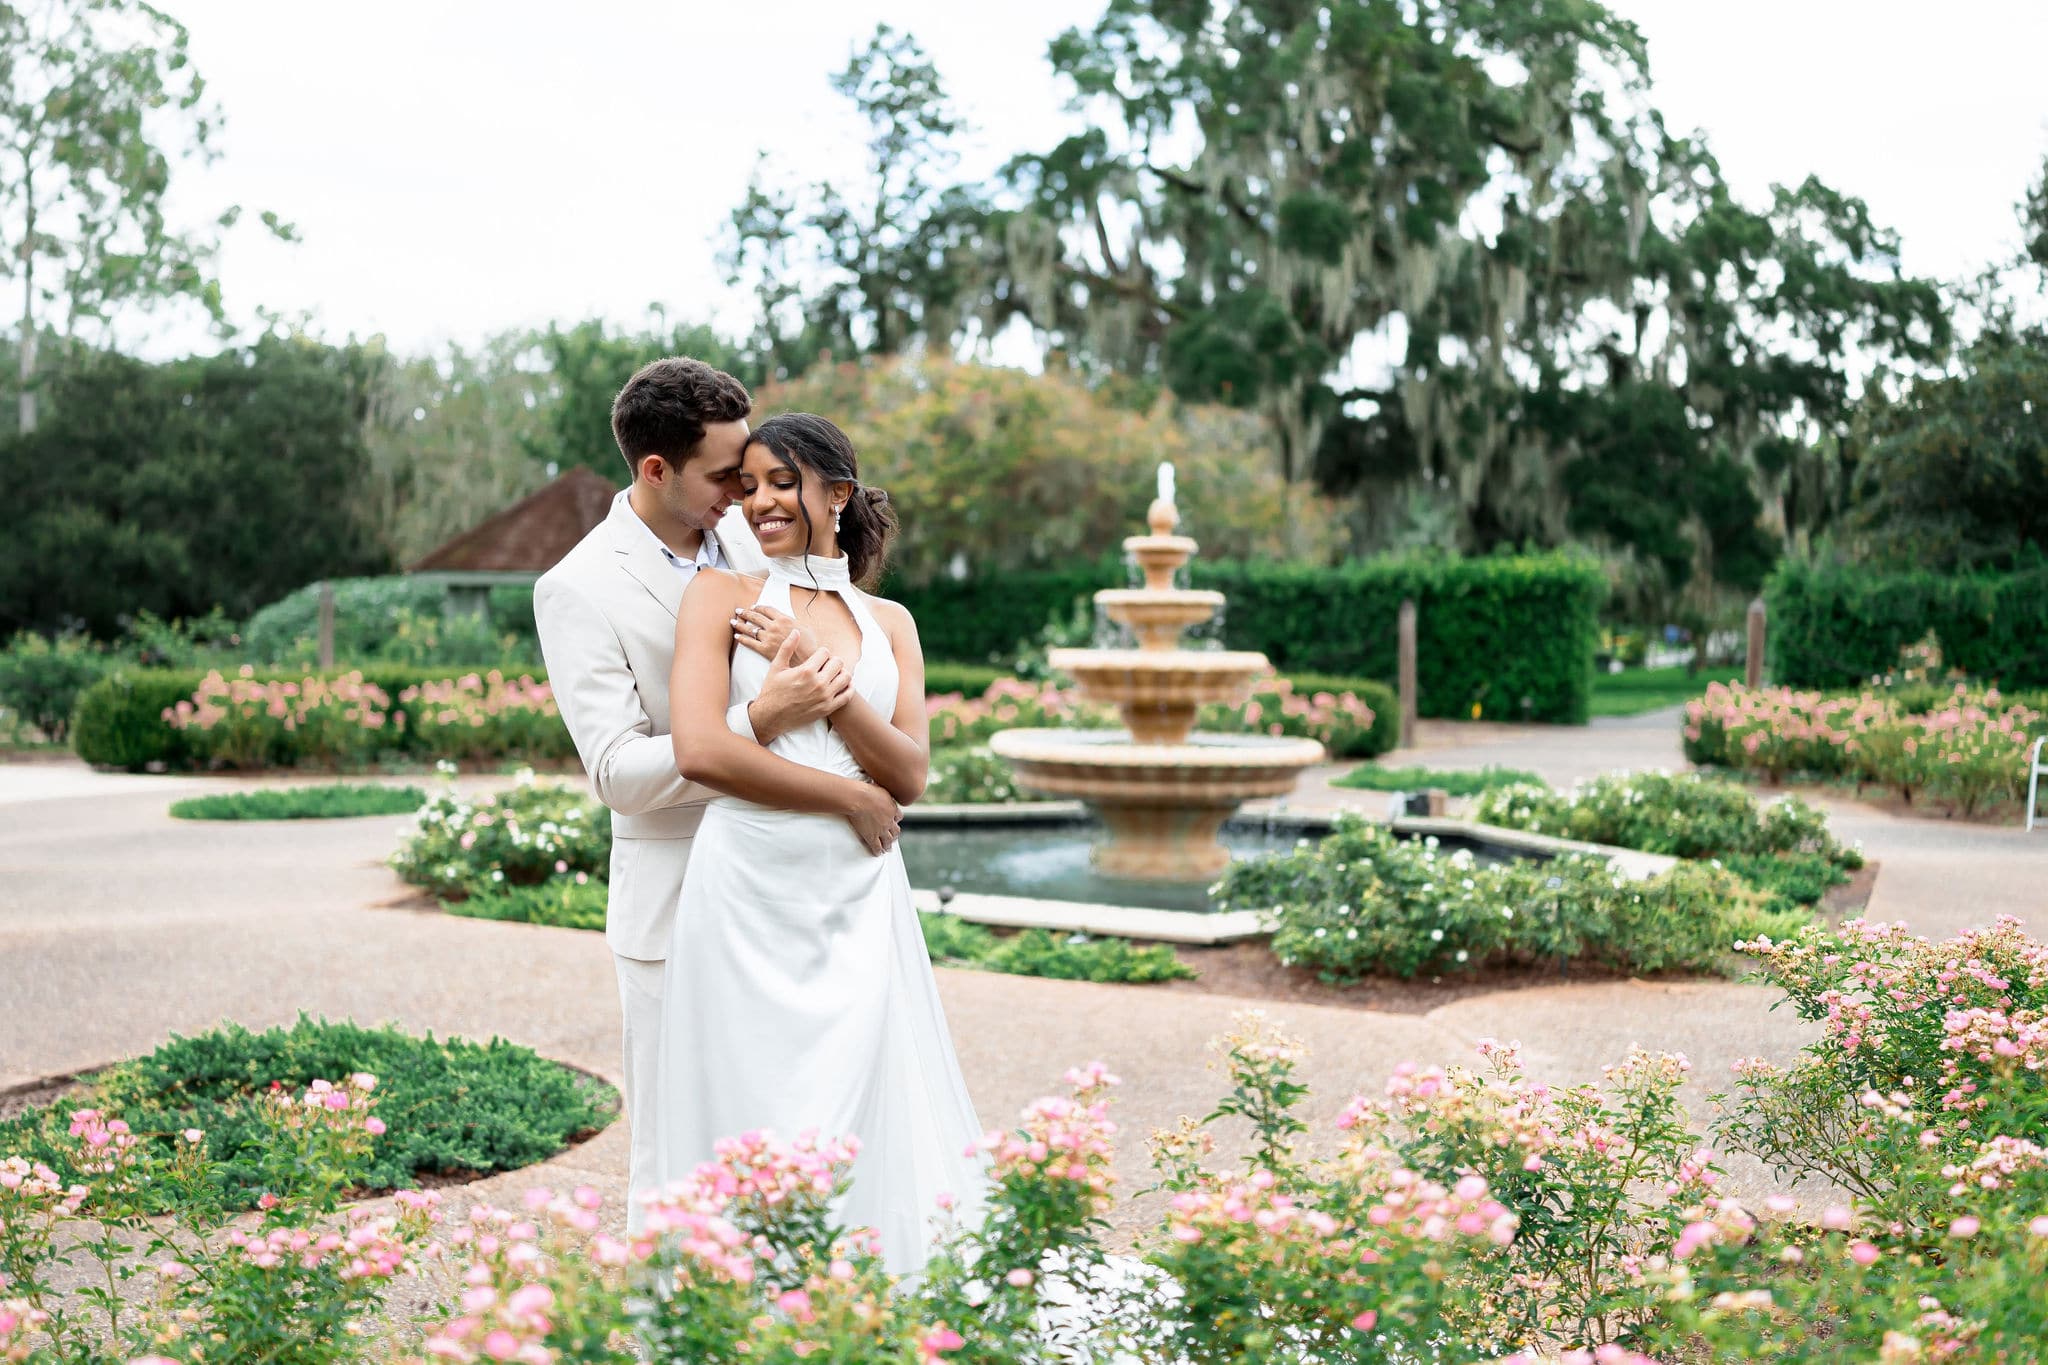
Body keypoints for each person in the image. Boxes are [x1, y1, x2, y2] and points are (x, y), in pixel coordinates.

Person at [533, 360, 903, 1232]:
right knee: (678, 1151)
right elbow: (618, 773)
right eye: (724, 476)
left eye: (752, 473)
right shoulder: (580, 587)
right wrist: (757, 719)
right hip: (677, 900)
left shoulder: (749, 540)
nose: (744, 494)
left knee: (797, 1123)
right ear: (656, 469)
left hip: (794, 896)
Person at [654, 412, 988, 1276]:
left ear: (837, 493)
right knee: (746, 1101)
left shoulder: (892, 622)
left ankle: (852, 1294)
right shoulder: (720, 597)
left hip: (855, 898)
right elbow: (702, 750)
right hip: (746, 894)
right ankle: (736, 1300)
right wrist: (849, 795)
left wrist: (829, 689)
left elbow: (909, 774)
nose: (759, 501)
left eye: (782, 482)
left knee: (858, 1102)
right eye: (750, 484)